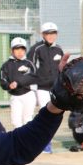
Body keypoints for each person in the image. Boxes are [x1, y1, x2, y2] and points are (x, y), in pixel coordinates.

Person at [27, 22, 64, 153]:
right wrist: (32, 85)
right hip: (41, 87)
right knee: (45, 114)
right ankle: (43, 144)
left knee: (54, 115)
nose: (51, 36)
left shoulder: (59, 49)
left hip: (55, 88)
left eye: (53, 33)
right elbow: (29, 66)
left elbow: (61, 69)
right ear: (42, 34)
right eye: (48, 33)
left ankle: (46, 143)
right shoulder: (36, 48)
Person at [0, 37, 38, 129]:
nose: (20, 51)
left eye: (22, 49)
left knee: (28, 120)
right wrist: (8, 85)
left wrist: (18, 82)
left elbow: (33, 76)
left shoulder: (29, 63)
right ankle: (20, 141)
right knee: (16, 121)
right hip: (15, 97)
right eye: (17, 49)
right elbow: (2, 79)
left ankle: (28, 142)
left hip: (28, 94)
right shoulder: (6, 65)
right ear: (11, 50)